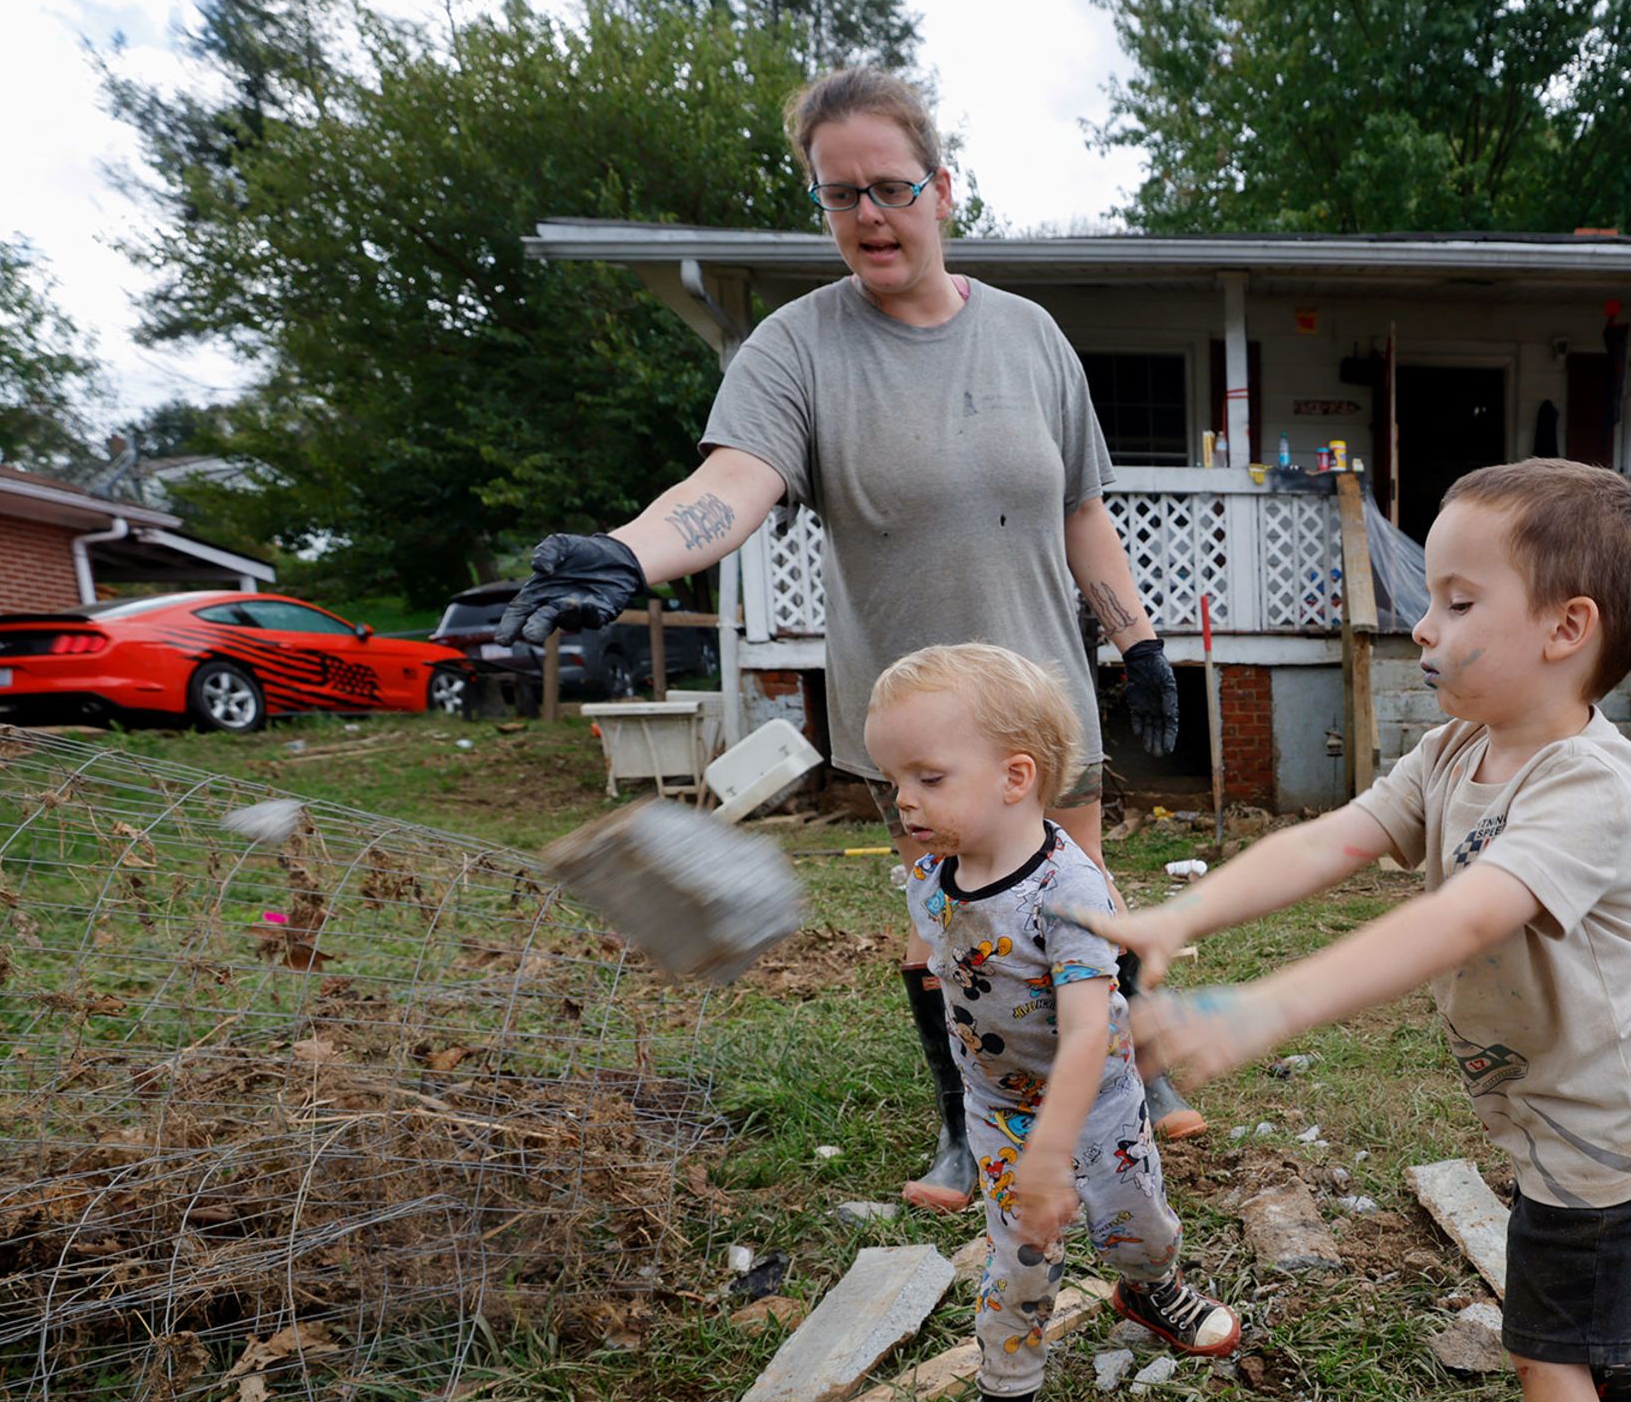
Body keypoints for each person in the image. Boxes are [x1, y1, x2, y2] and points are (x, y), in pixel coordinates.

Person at [491, 64, 1199, 1217]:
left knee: (1082, 905)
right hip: (917, 718)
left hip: (1046, 700)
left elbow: (1082, 508)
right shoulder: (796, 349)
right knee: (951, 934)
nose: (868, 214)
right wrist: (630, 552)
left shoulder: (1031, 338)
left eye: (889, 186)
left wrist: (1139, 640)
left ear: (942, 189)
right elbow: (736, 482)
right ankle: (971, 1129)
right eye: (839, 195)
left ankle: (1126, 1077)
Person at [1077, 460, 1631, 1402]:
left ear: (1567, 630)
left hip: (1603, 1122)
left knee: (1550, 1344)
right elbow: (1337, 836)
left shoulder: (1588, 785)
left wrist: (1265, 1008)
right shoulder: (1459, 751)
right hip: (1573, 1106)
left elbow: (1465, 917)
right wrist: (1185, 916)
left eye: (1461, 600)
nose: (1424, 622)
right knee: (1592, 1308)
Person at [869, 644, 1239, 1402]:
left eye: (926, 776)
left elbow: (1082, 1038)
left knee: (1138, 1219)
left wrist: (1054, 1154)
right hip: (998, 1108)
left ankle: (1148, 1287)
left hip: (1098, 1101)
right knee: (1021, 1258)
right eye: (894, 780)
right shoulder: (933, 871)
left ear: (1015, 777)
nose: (903, 801)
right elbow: (942, 961)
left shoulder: (1070, 892)